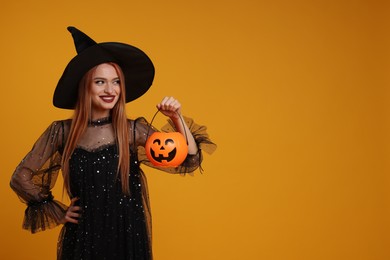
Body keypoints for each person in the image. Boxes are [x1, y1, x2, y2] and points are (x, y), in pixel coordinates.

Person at [10, 26, 216, 260]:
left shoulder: (131, 130)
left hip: (127, 234)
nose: (110, 90)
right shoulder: (61, 132)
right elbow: (21, 176)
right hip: (83, 235)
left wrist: (176, 118)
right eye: (100, 82)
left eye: (116, 82)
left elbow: (189, 159)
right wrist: (59, 212)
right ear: (85, 86)